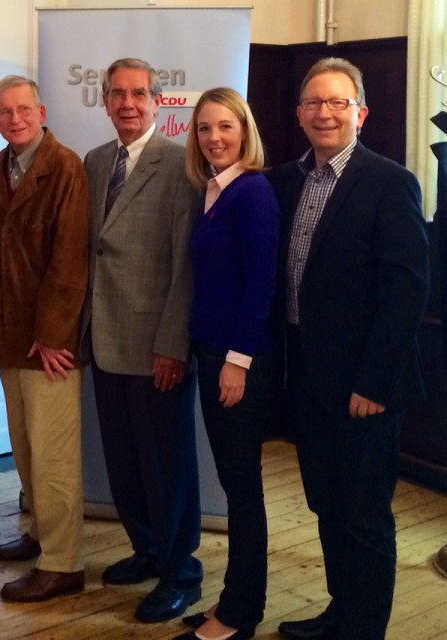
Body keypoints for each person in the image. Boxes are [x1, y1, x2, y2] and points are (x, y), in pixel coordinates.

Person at [273, 58, 428, 640]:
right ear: (299, 115)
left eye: (338, 102)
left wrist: (374, 382)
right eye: (314, 102)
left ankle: (365, 629)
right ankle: (340, 612)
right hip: (308, 380)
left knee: (364, 518)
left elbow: (406, 292)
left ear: (360, 112)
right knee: (327, 507)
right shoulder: (289, 181)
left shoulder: (390, 183)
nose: (325, 112)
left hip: (365, 387)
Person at [82, 57, 201, 623]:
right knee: (126, 462)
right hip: (105, 340)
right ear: (104, 101)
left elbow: (186, 265)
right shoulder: (96, 161)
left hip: (157, 347)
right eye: (117, 94)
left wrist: (173, 345)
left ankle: (182, 574)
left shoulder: (181, 165)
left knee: (167, 467)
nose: (127, 104)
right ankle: (148, 552)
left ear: (157, 101)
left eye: (137, 94)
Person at [174, 88, 280, 640]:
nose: (214, 137)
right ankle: (233, 601)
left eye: (225, 127)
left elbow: (262, 285)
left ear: (245, 131)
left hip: (238, 361)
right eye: (204, 128)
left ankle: (239, 615)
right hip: (214, 352)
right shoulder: (214, 191)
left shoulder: (252, 193)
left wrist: (236, 362)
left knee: (242, 492)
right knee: (237, 487)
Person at [0, 76, 90, 602]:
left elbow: (71, 257)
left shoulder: (64, 165)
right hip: (9, 338)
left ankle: (63, 562)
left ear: (41, 111)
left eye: (23, 108)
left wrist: (52, 335)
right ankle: (40, 533)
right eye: (4, 112)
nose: (15, 118)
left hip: (50, 344)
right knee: (25, 448)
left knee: (53, 455)